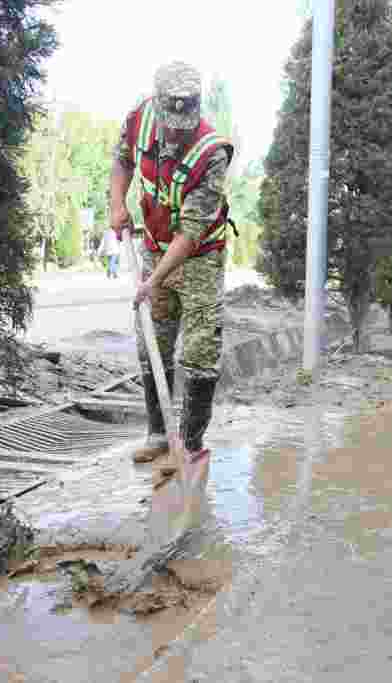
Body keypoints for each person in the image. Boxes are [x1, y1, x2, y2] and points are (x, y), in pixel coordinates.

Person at [108, 61, 235, 465]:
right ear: (158, 106)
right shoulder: (139, 119)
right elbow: (122, 161)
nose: (177, 132)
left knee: (200, 347)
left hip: (199, 256)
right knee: (153, 341)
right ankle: (159, 435)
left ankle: (190, 446)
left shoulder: (212, 153)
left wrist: (154, 280)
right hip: (155, 245)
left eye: (185, 124)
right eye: (171, 123)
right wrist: (117, 204)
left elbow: (192, 232)